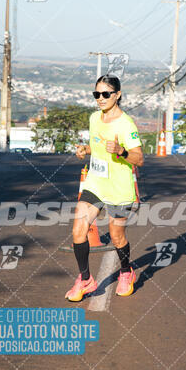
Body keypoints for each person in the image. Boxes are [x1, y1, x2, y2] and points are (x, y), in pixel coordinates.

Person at [65, 74, 144, 302]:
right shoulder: (94, 118)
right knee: (78, 230)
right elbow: (96, 146)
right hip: (95, 183)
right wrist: (85, 150)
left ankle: (126, 271)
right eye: (96, 94)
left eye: (105, 94)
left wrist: (121, 151)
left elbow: (139, 159)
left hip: (119, 188)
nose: (100, 99)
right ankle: (86, 279)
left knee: (117, 237)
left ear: (117, 95)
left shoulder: (126, 124)